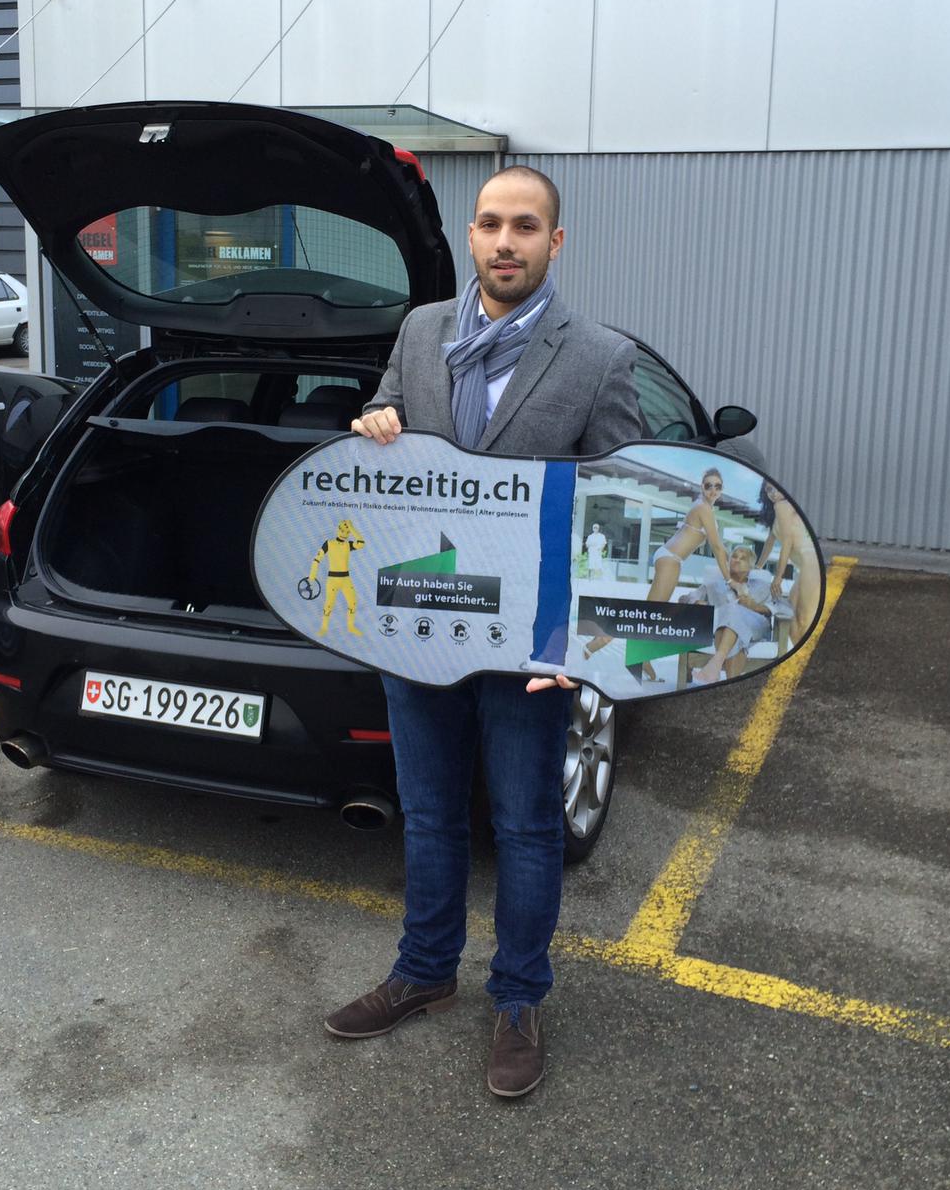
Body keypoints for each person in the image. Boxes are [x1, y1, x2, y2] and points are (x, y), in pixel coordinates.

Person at [324, 164, 641, 1098]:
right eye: (492, 223)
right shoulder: (422, 331)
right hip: (420, 627)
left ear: (555, 241)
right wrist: (375, 422)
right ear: (471, 235)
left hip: (528, 644)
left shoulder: (599, 359)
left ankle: (517, 998)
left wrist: (585, 648)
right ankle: (424, 973)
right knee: (428, 815)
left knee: (527, 827)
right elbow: (384, 423)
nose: (507, 242)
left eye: (526, 227)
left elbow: (620, 513)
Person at [584, 468, 731, 673]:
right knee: (649, 613)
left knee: (652, 614)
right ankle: (600, 640)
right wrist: (730, 581)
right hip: (671, 559)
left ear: (722, 489)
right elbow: (716, 547)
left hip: (671, 558)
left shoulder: (706, 508)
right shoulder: (703, 508)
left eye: (717, 486)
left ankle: (641, 658)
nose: (713, 490)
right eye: (708, 486)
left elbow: (721, 548)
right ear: (702, 487)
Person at [684, 545, 777, 684]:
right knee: (733, 627)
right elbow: (686, 598)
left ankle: (716, 661)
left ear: (751, 566)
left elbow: (777, 606)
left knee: (732, 611)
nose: (737, 560)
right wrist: (697, 601)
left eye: (743, 558)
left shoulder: (762, 586)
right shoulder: (714, 585)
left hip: (755, 627)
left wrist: (755, 606)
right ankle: (728, 685)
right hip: (726, 630)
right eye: (734, 556)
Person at [756, 480, 821, 644]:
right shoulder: (778, 511)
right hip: (805, 567)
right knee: (792, 623)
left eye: (776, 488)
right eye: (769, 490)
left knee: (804, 620)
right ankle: (802, 655)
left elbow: (787, 542)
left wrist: (779, 576)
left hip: (811, 561)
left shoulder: (783, 506)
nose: (773, 493)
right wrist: (757, 567)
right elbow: (769, 543)